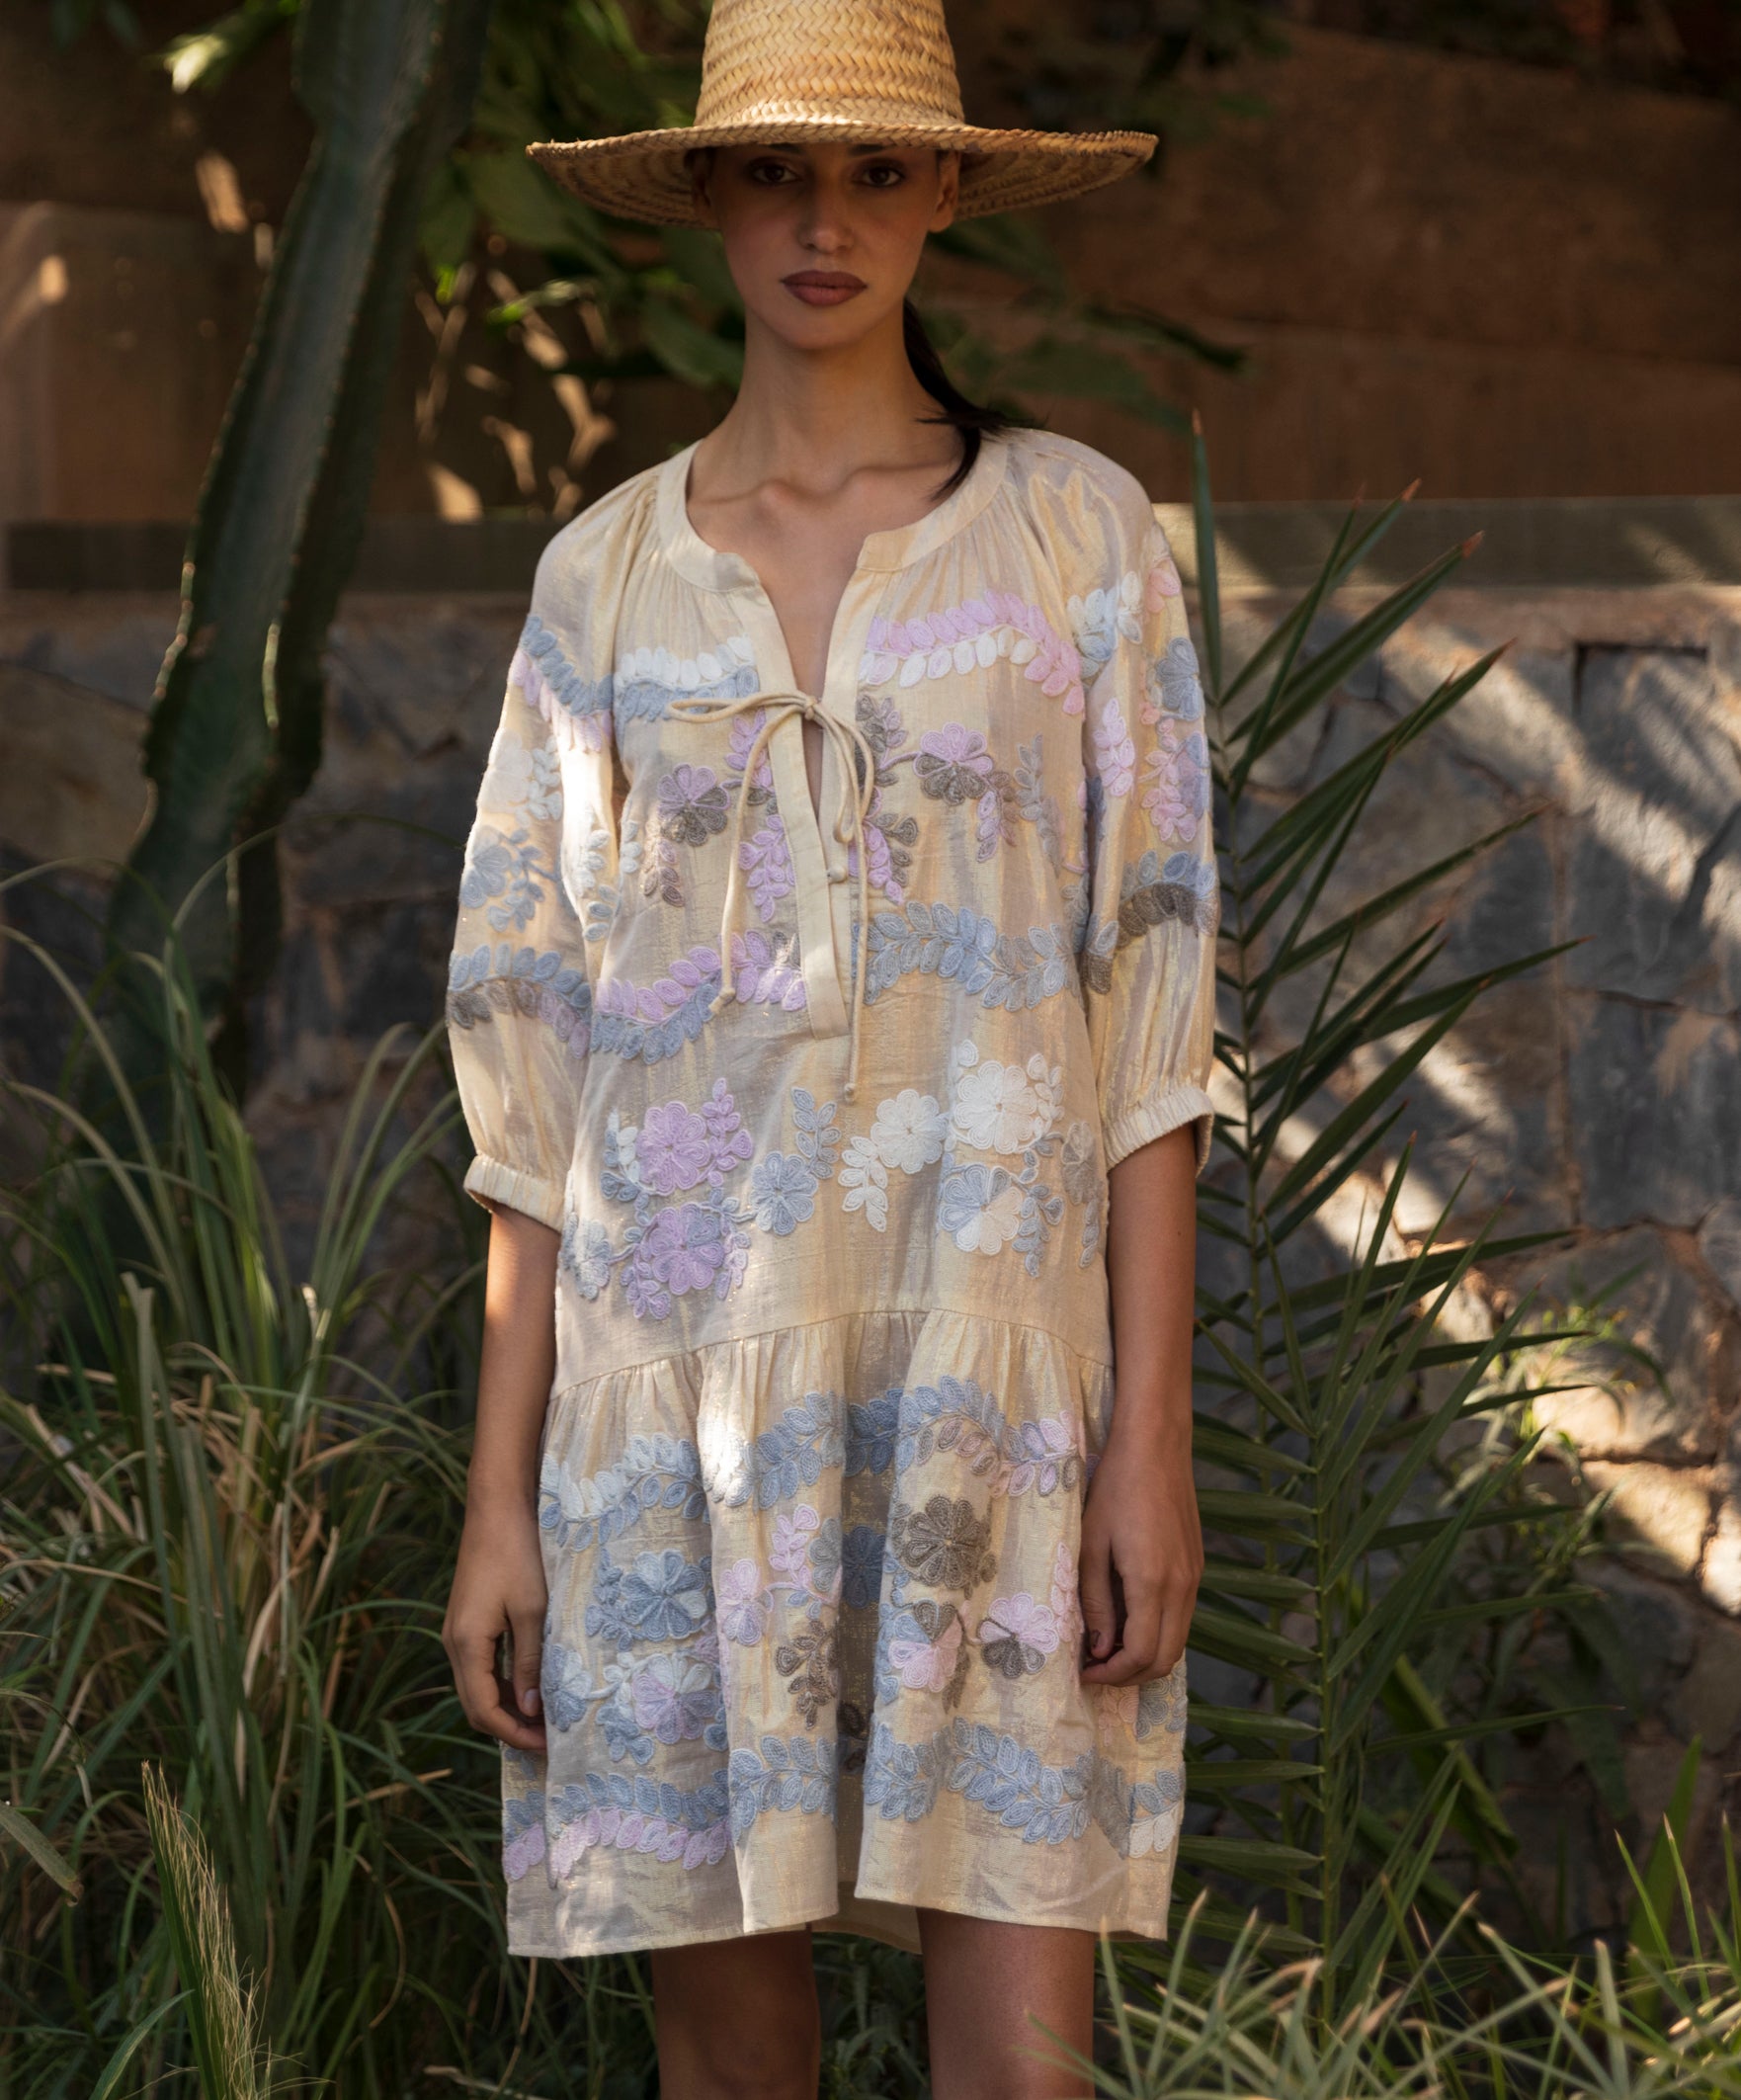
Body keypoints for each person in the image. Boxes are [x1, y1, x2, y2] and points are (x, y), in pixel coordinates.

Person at [441, 2, 1216, 2093]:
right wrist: (496, 1499)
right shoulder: (598, 583)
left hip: (999, 1395)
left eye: (875, 169)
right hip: (675, 1413)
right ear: (704, 190)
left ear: (945, 186)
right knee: (729, 2066)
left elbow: (1150, 1009)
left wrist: (1145, 1434)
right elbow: (533, 1070)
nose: (822, 219)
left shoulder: (1076, 542)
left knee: (1022, 2067)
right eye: (775, 169)